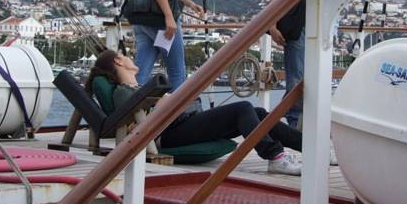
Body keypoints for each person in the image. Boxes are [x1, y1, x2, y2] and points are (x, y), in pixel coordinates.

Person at [86, 49, 306, 175]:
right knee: (243, 108)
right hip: (168, 135)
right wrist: (166, 104)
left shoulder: (136, 88)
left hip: (180, 123)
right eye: (124, 55)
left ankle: (309, 147)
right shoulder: (122, 92)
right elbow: (133, 125)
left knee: (256, 112)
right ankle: (275, 156)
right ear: (118, 61)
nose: (129, 56)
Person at [268, 0, 335, 128]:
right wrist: (272, 27)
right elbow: (274, 0)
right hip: (296, 30)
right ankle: (294, 121)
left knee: (317, 77)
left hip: (318, 27)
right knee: (296, 77)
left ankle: (307, 120)